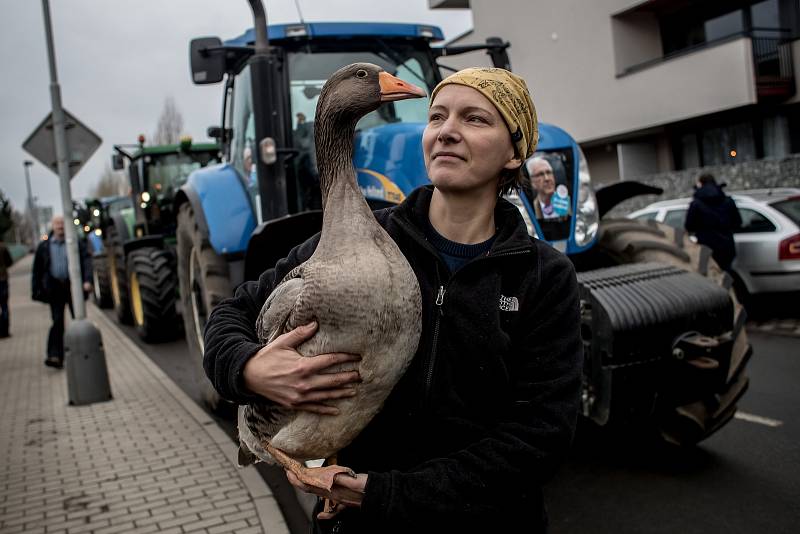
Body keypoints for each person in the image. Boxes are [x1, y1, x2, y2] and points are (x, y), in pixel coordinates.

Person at [203, 67, 583, 533]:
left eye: (475, 119)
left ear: (514, 153)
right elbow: (229, 315)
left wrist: (385, 494)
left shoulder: (544, 277)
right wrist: (248, 368)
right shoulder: (355, 244)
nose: (447, 131)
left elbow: (540, 437)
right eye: (437, 116)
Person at [31, 215, 92, 368]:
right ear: (52, 225)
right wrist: (36, 290)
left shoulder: (75, 242)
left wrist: (87, 280)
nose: (60, 226)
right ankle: (55, 355)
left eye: (62, 223)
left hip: (73, 287)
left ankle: (85, 353)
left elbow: (86, 261)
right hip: (55, 288)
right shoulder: (44, 246)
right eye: (57, 223)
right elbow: (37, 270)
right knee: (57, 322)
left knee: (79, 319)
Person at [684, 173, 742, 272]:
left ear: (700, 184)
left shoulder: (696, 203)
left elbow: (689, 226)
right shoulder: (728, 201)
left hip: (706, 246)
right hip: (727, 246)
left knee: (709, 275)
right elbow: (737, 222)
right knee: (725, 275)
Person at [0, 239, 13, 338]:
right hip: (2, 279)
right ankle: (5, 331)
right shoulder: (3, 247)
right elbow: (9, 262)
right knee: (4, 306)